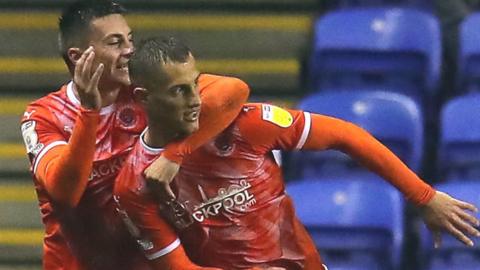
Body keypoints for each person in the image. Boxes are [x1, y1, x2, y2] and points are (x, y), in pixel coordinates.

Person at [114, 36, 480, 270]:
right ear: (144, 98)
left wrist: (423, 196)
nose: (194, 101)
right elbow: (177, 267)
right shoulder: (132, 185)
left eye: (195, 85)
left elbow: (345, 135)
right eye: (178, 92)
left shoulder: (243, 126)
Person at [19, 0, 249, 269]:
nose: (129, 50)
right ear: (78, 56)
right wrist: (89, 112)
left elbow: (234, 91)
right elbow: (65, 192)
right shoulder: (44, 115)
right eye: (115, 43)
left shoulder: (146, 90)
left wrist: (175, 155)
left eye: (130, 39)